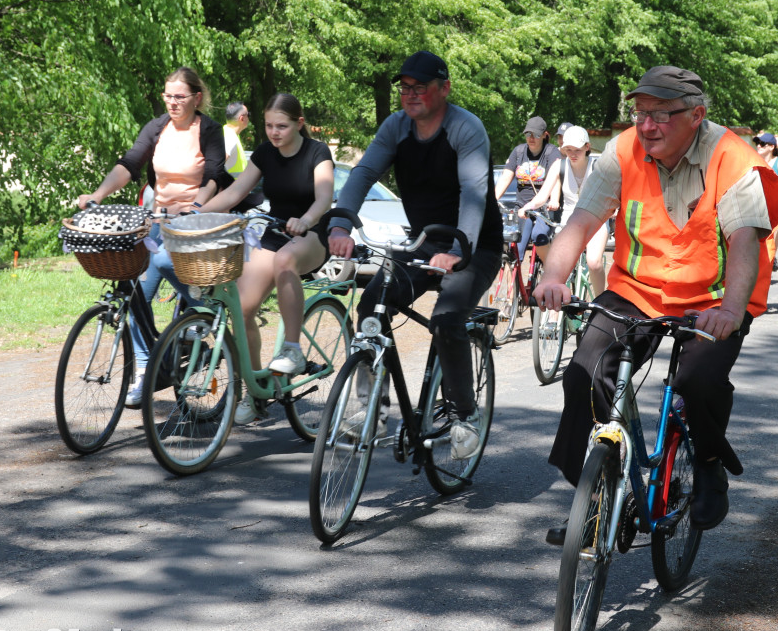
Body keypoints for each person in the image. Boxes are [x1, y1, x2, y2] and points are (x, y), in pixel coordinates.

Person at [533, 66, 778, 543]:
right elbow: (582, 220)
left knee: (698, 378)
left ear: (697, 115)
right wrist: (553, 276)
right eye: (640, 113)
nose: (646, 125)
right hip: (638, 289)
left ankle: (709, 463)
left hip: (715, 299)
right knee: (585, 372)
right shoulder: (624, 149)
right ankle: (592, 494)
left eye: (661, 115)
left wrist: (732, 311)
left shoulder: (732, 158)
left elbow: (745, 243)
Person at [328, 50, 503, 459]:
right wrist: (340, 223)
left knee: (446, 318)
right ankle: (372, 408)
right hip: (425, 242)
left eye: (420, 87)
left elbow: (474, 194)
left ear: (444, 89)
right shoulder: (397, 127)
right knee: (371, 306)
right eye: (405, 88)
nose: (410, 95)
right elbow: (364, 173)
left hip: (476, 245)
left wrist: (460, 249)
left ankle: (464, 416)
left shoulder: (466, 128)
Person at [77, 67, 230, 407]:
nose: (172, 102)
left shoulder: (209, 130)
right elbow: (130, 163)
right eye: (168, 95)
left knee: (163, 264)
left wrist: (196, 206)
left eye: (180, 96)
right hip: (159, 220)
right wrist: (98, 195)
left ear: (197, 98)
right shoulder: (157, 128)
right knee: (134, 293)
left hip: (194, 222)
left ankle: (210, 324)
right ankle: (145, 371)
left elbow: (215, 175)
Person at [199, 94, 334, 424]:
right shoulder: (264, 153)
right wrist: (194, 214)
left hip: (313, 233)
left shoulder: (318, 153)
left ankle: (292, 349)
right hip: (276, 232)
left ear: (299, 123)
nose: (275, 133)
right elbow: (234, 193)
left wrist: (306, 219)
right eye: (270, 126)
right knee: (242, 308)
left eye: (282, 126)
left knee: (285, 260)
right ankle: (255, 392)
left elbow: (324, 199)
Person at [519, 125, 609, 296]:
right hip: (569, 220)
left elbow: (611, 193)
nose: (573, 154)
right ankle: (554, 316)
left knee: (594, 262)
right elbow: (542, 195)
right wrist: (527, 206)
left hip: (596, 218)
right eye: (568, 149)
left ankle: (599, 302)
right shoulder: (559, 165)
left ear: (587, 147)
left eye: (577, 150)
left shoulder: (598, 166)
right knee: (558, 268)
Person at [493, 116, 562, 262]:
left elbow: (555, 180)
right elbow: (505, 178)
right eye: (528, 134)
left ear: (544, 135)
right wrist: (491, 200)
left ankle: (551, 272)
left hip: (544, 208)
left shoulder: (551, 152)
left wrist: (555, 200)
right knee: (514, 249)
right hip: (522, 207)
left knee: (539, 236)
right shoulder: (518, 152)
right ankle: (515, 283)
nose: (531, 138)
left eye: (536, 134)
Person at [753, 132, 778, 272]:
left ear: (771, 146)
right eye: (757, 143)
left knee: (776, 228)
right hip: (757, 201)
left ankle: (772, 256)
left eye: (762, 143)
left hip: (774, 201)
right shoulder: (755, 160)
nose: (759, 146)